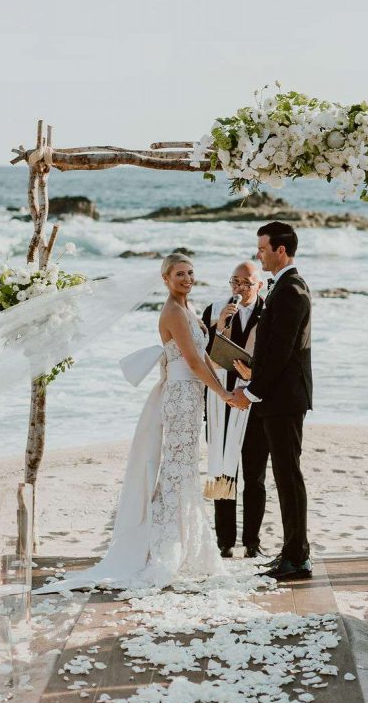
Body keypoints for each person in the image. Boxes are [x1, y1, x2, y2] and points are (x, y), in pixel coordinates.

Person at [42, 254, 235, 593]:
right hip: (179, 396)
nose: (187, 278)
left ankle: (187, 546)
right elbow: (190, 360)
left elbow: (203, 354)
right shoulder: (173, 312)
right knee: (176, 469)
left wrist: (221, 384)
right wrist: (221, 392)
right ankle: (163, 546)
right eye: (179, 274)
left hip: (192, 396)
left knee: (187, 468)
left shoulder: (188, 309)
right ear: (165, 278)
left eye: (190, 273)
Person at [228, 222, 313, 581]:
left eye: (262, 248)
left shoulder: (292, 291)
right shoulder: (283, 289)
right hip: (278, 397)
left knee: (288, 477)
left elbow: (281, 351)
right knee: (284, 475)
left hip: (284, 399)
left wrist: (250, 391)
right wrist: (251, 369)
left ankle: (297, 556)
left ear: (281, 250)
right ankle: (292, 552)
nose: (258, 253)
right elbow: (273, 347)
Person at [202, 262, 268, 558]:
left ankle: (252, 542)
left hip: (256, 402)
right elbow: (201, 356)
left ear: (260, 285)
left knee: (254, 476)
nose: (239, 288)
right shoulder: (214, 310)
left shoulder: (270, 313)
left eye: (246, 283)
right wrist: (220, 327)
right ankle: (224, 541)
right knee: (222, 469)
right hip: (222, 399)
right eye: (235, 282)